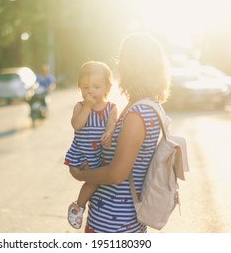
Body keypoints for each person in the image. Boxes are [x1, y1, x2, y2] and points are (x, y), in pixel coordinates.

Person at [69, 33, 170, 233]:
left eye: (122, 60)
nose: (119, 65)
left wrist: (81, 175)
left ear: (131, 67)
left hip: (113, 223)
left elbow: (117, 174)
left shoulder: (138, 113)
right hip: (118, 220)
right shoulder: (147, 105)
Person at [64, 61, 118, 229]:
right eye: (85, 87)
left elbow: (112, 123)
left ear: (107, 88)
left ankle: (78, 205)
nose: (90, 91)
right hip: (82, 153)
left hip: (99, 155)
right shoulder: (80, 106)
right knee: (93, 181)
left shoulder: (111, 107)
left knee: (94, 181)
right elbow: (77, 125)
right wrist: (87, 106)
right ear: (79, 88)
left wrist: (108, 133)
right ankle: (79, 206)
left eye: (96, 86)